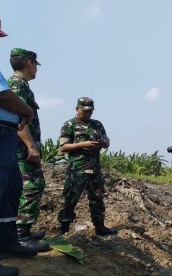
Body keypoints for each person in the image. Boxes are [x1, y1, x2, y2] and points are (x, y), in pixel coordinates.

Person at [0, 19, 40, 268]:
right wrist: (26, 111)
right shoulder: (15, 84)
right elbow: (4, 97)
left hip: (5, 133)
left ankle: (7, 241)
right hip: (4, 134)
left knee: (11, 188)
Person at [8, 48, 49, 252]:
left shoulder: (20, 85)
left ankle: (24, 230)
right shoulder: (17, 84)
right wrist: (31, 146)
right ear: (29, 63)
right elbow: (19, 119)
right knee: (32, 186)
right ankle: (21, 235)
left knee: (30, 186)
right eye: (35, 66)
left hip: (22, 147)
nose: (36, 70)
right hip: (22, 148)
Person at [57, 97, 117, 236]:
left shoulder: (97, 124)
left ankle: (100, 226)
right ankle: (64, 228)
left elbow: (107, 141)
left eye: (90, 111)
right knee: (71, 198)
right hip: (77, 168)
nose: (88, 114)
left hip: (95, 167)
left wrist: (104, 143)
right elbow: (63, 147)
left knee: (97, 197)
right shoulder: (69, 125)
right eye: (85, 111)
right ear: (77, 109)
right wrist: (82, 145)